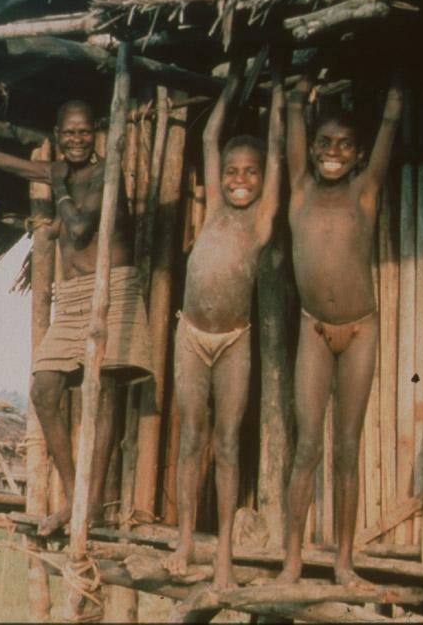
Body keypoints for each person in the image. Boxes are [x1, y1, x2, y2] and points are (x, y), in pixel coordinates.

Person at [0, 102, 152, 536]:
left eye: (84, 132)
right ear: (58, 134)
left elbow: (79, 228)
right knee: (44, 390)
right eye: (69, 133)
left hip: (114, 286)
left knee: (107, 394)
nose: (77, 140)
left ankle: (92, 504)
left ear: (96, 132)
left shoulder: (106, 173)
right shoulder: (60, 170)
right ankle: (74, 494)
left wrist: (57, 185)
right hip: (74, 294)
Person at [275, 70, 402, 588]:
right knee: (307, 446)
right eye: (324, 143)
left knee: (346, 446)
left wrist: (394, 92)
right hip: (313, 330)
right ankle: (291, 561)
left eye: (344, 145)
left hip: (360, 330)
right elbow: (293, 127)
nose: (332, 151)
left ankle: (344, 562)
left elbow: (391, 119)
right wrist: (298, 99)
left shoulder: (365, 192)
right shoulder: (300, 191)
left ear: (357, 153)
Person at [161, 65, 283, 589]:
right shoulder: (211, 208)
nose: (238, 179)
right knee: (192, 437)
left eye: (249, 172)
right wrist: (238, 79)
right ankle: (186, 539)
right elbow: (211, 135)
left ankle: (225, 554)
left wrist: (278, 96)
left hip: (235, 340)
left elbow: (277, 152)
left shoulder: (261, 221)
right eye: (232, 171)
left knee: (229, 442)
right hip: (191, 336)